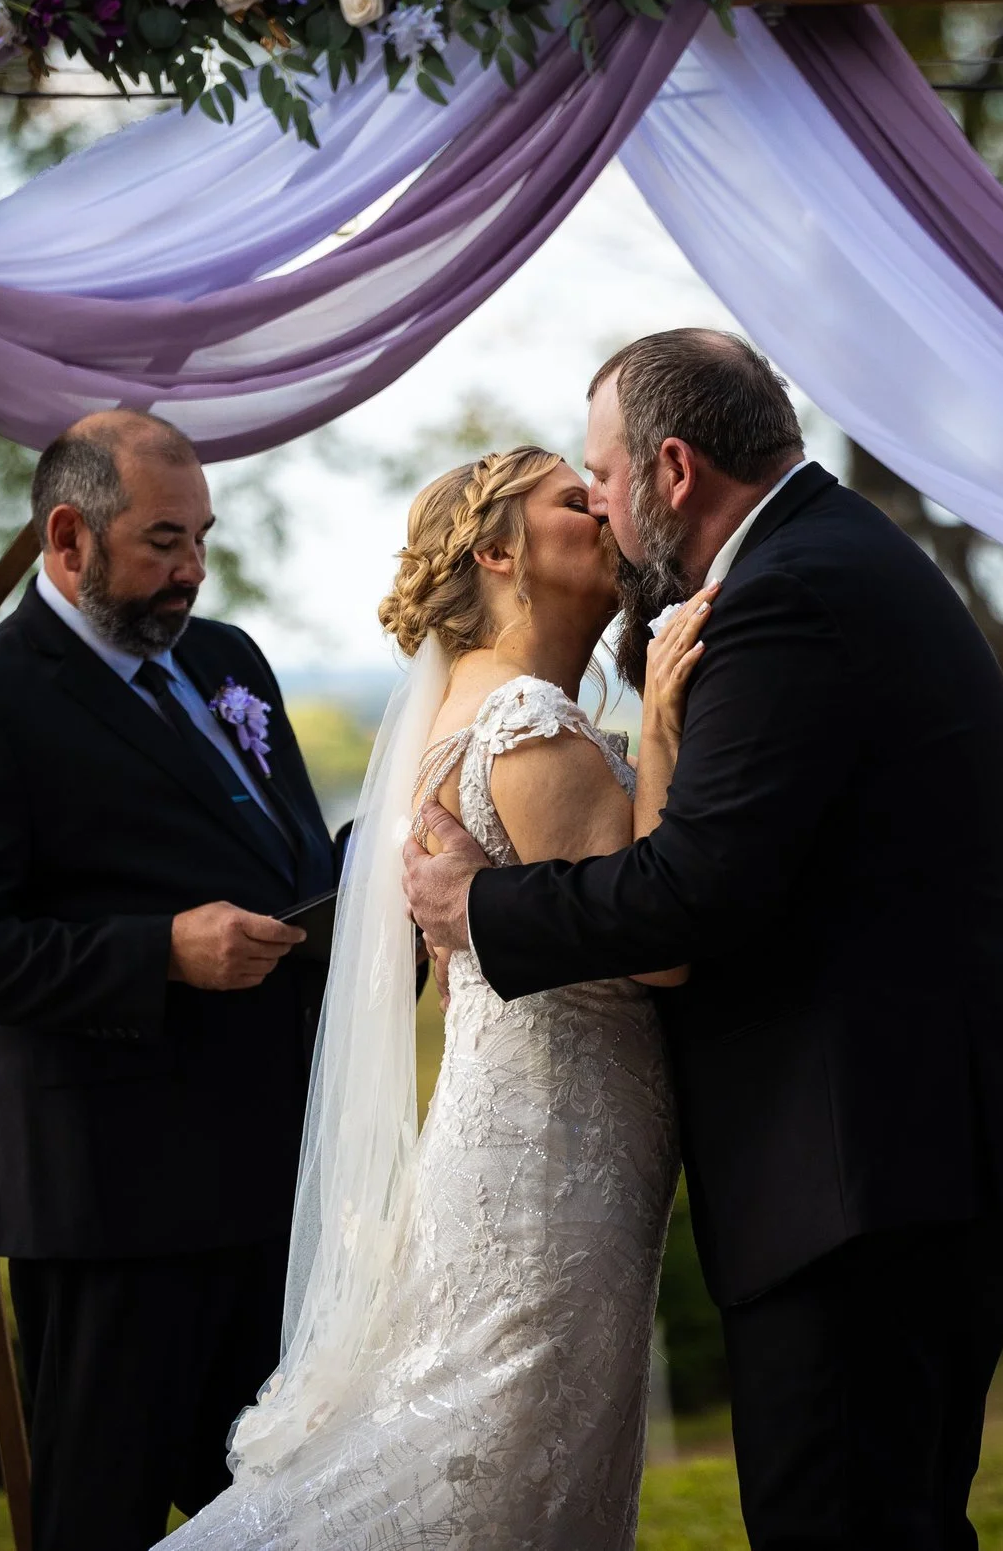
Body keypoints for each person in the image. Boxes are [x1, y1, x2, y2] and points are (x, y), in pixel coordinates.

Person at [404, 330, 1003, 1551]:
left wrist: (476, 908)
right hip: (897, 1141)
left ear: (673, 469)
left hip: (865, 1153)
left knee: (838, 1516)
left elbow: (691, 894)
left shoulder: (782, 595)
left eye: (606, 478)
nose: (607, 513)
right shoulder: (820, 560)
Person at [164, 445, 709, 1549]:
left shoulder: (477, 708)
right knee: (484, 1477)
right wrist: (656, 725)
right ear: (500, 551)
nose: (605, 507)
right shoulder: (528, 727)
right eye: (574, 498)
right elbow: (657, 948)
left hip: (529, 1140)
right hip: (555, 1160)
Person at [0, 411, 340, 1551]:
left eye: (202, 538)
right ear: (69, 536)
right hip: (111, 1203)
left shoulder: (229, 659)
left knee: (288, 1511)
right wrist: (161, 952)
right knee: (106, 1516)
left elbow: (279, 854)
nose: (193, 569)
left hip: (272, 1175)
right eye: (163, 542)